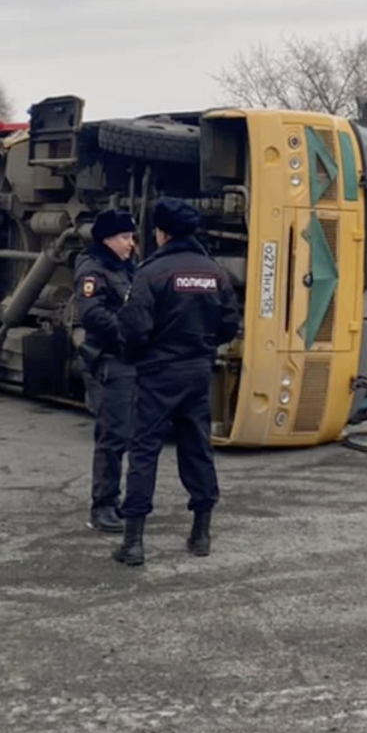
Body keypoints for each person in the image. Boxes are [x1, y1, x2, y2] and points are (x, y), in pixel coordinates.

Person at [112, 197, 242, 567]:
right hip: (197, 371)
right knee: (197, 447)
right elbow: (229, 324)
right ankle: (201, 535)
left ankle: (133, 543)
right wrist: (201, 347)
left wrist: (137, 355)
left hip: (157, 373)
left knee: (144, 451)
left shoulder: (151, 273)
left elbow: (134, 327)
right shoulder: (214, 273)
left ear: (163, 233)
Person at [70, 208, 139, 534]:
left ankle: (116, 501)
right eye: (125, 237)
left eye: (132, 237)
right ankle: (104, 506)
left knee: (126, 433)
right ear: (107, 239)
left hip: (127, 359)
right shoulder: (93, 269)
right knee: (113, 435)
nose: (131, 244)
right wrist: (128, 332)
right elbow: (93, 313)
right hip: (109, 359)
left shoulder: (125, 267)